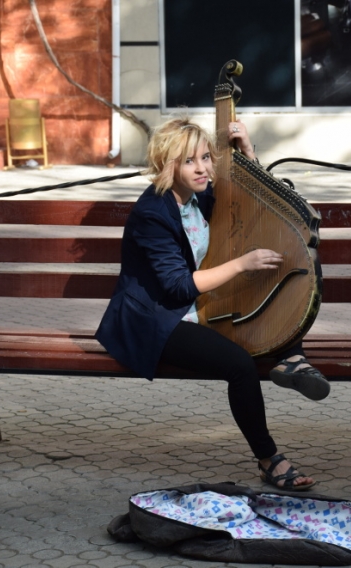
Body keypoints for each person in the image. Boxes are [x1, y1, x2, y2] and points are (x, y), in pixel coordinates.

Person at [96, 116, 330, 490]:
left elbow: (249, 196)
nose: (203, 168)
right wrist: (241, 263)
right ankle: (270, 460)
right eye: (190, 161)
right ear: (166, 164)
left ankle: (292, 357)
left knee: (273, 299)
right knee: (239, 365)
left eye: (206, 157)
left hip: (197, 306)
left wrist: (249, 152)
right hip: (158, 320)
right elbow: (176, 288)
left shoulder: (196, 195)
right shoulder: (152, 213)